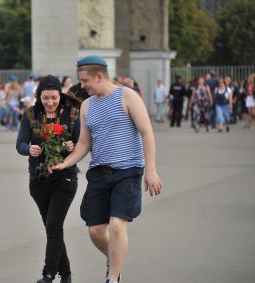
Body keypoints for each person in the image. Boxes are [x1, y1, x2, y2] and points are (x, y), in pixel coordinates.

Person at [51, 55, 162, 283]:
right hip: (99, 173)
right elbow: (83, 143)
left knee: (117, 226)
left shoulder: (127, 96)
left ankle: (113, 278)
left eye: (84, 81)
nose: (81, 86)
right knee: (95, 231)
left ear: (99, 76)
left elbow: (147, 132)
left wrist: (151, 170)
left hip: (128, 171)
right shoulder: (87, 106)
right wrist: (67, 162)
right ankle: (115, 259)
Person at [16, 75, 80, 283]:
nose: (50, 102)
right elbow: (20, 144)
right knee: (53, 229)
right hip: (39, 179)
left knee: (53, 226)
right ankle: (67, 275)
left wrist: (72, 146)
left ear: (60, 95)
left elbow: (82, 143)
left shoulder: (71, 114)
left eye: (54, 97)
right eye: (45, 98)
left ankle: (48, 274)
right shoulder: (31, 115)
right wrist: (29, 149)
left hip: (65, 178)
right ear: (39, 96)